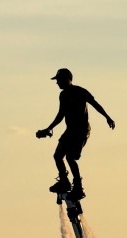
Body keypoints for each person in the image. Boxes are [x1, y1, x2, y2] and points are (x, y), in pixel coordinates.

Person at [36, 68, 115, 200]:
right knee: (57, 155)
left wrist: (107, 117)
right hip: (70, 130)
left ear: (67, 79)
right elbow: (61, 115)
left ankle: (78, 187)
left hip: (81, 130)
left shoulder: (80, 91)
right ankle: (64, 181)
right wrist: (48, 129)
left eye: (59, 80)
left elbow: (95, 104)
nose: (57, 83)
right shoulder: (63, 95)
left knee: (70, 157)